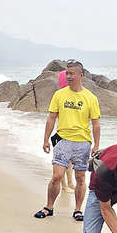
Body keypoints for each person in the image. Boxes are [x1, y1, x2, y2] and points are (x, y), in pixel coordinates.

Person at [34, 60, 100, 221]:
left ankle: (77, 210)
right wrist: (46, 140)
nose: (69, 76)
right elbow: (51, 118)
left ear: (81, 75)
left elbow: (96, 123)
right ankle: (49, 207)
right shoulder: (59, 95)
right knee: (57, 176)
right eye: (67, 74)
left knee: (80, 178)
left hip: (83, 142)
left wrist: (96, 145)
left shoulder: (90, 98)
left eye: (72, 73)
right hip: (62, 140)